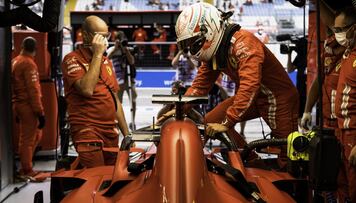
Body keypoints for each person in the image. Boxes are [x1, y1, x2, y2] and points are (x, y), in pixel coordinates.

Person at [158, 3, 298, 163]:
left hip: (278, 99)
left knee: (289, 156)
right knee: (210, 122)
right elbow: (199, 86)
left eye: (193, 42)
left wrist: (228, 122)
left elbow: (250, 85)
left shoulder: (244, 43)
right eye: (187, 45)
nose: (191, 49)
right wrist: (180, 109)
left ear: (209, 29)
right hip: (254, 96)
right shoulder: (216, 51)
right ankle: (252, 162)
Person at [61, 15, 130, 168]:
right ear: (85, 36)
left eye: (107, 36)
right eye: (100, 36)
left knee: (113, 180)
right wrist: (98, 54)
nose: (104, 41)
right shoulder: (72, 59)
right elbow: (86, 89)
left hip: (110, 134)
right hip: (88, 132)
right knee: (97, 180)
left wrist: (127, 135)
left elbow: (114, 99)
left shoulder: (106, 62)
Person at [333, 7, 356, 203]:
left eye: (340, 30)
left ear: (355, 29)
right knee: (343, 189)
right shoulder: (349, 53)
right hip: (341, 132)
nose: (336, 35)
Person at [12, 37, 46, 181]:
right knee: (28, 139)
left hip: (18, 104)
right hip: (28, 107)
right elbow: (33, 91)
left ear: (22, 46)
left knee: (34, 136)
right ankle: (27, 170)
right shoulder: (29, 64)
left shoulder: (14, 61)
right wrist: (40, 112)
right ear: (36, 50)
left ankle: (26, 166)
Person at [107, 31, 137, 130]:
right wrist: (116, 48)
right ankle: (117, 122)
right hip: (117, 80)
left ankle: (133, 121)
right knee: (117, 104)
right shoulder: (112, 49)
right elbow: (107, 58)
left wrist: (126, 51)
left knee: (133, 100)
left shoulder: (128, 49)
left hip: (128, 80)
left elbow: (132, 61)